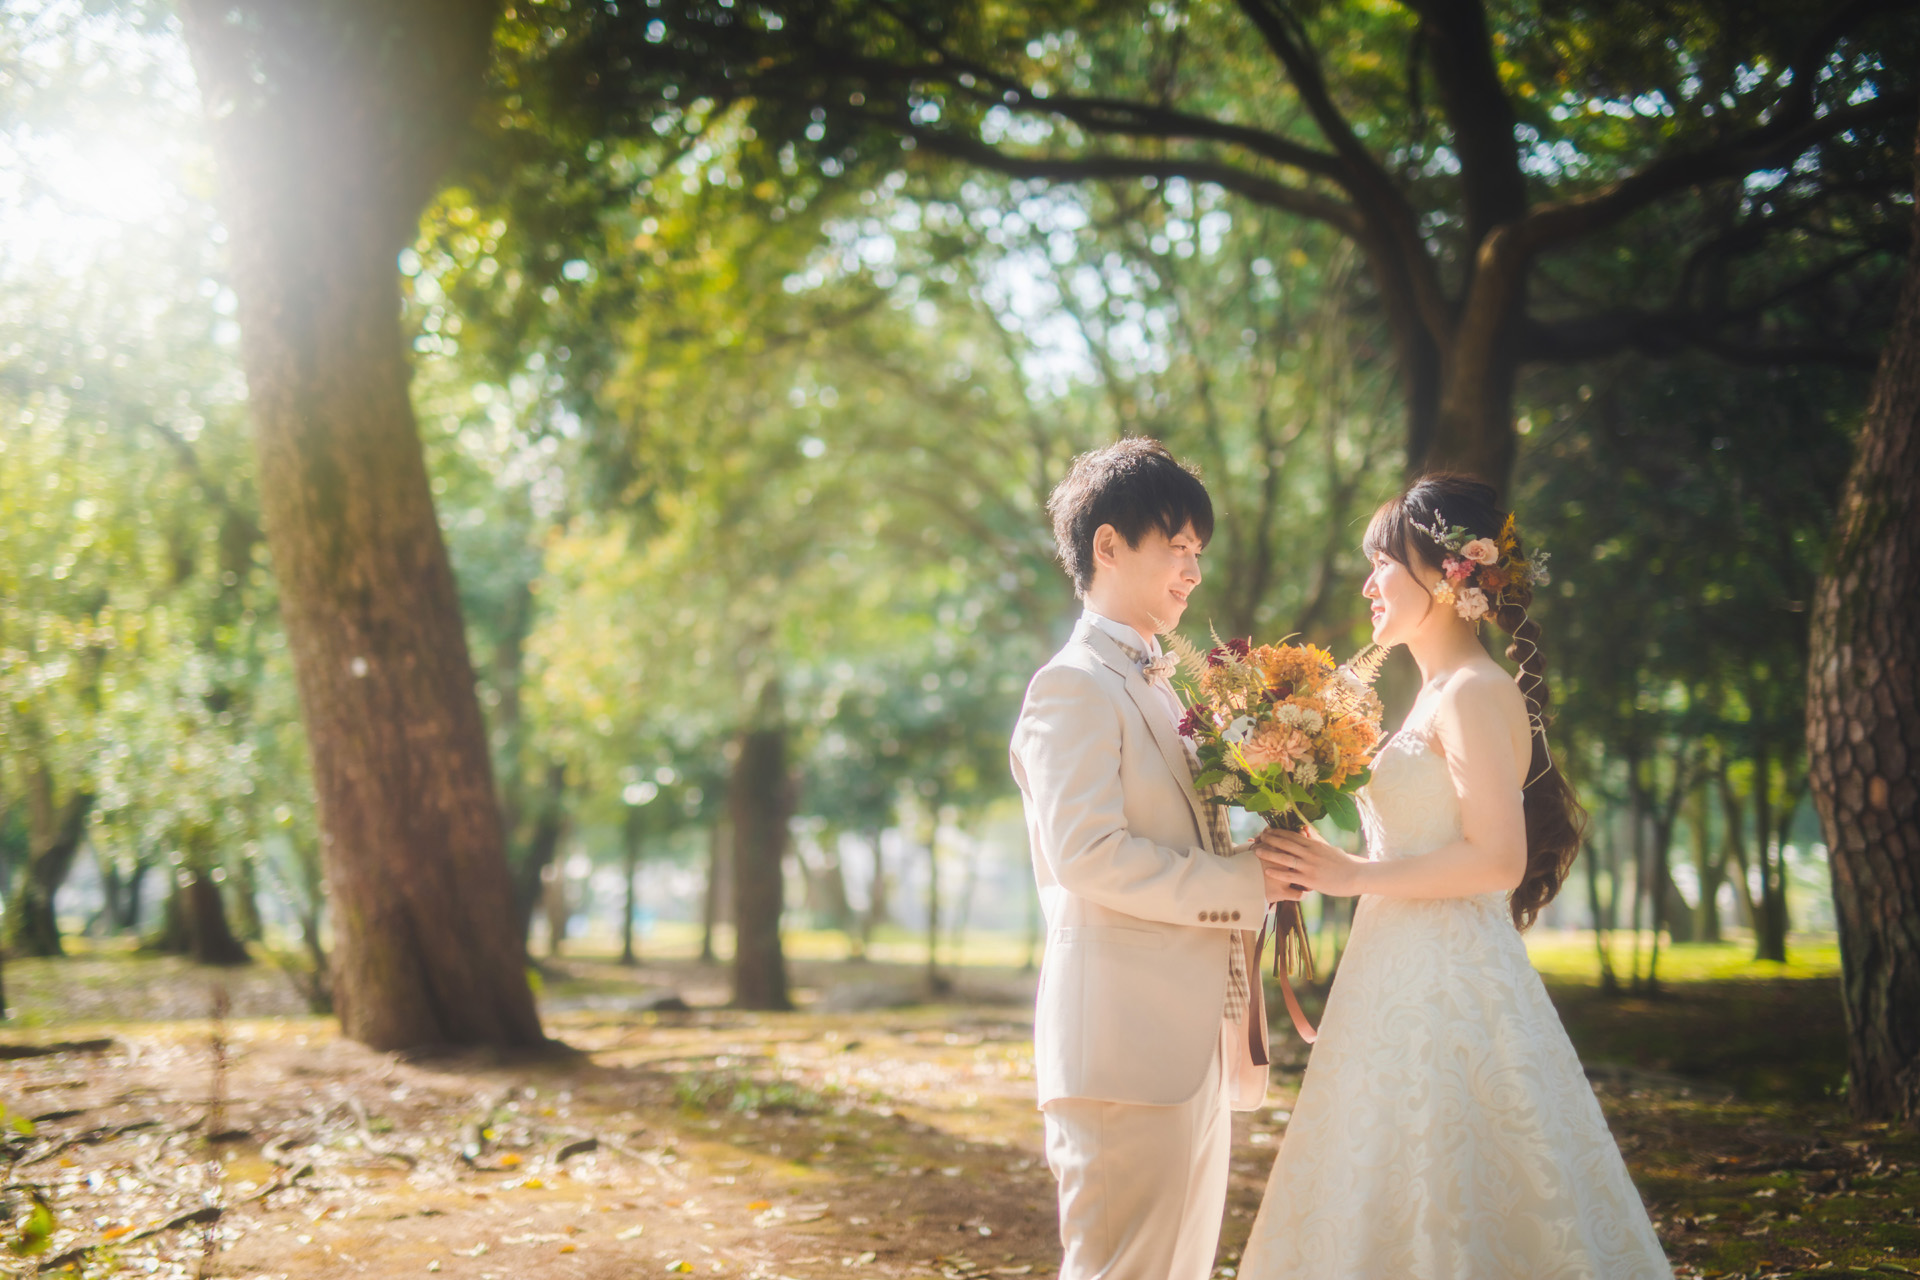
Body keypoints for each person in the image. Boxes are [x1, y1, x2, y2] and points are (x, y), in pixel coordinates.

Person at [1240, 473, 1673, 1279]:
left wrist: (1352, 873)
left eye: (1383, 564)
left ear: (1449, 576)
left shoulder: (1473, 691)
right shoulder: (1429, 693)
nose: (1368, 584)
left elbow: (1498, 860)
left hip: (1451, 984)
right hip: (1394, 969)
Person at [1009, 438, 1299, 1280]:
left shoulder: (1160, 686)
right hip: (1122, 1050)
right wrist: (1242, 884)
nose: (1192, 572)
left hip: (1191, 1046)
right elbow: (1088, 856)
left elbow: (1181, 837)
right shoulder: (1072, 687)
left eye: (1198, 554)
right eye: (1177, 548)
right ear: (1107, 546)